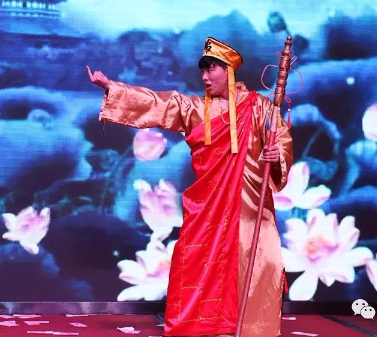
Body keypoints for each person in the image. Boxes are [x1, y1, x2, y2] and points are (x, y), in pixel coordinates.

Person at [88, 37, 293, 336]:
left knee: (255, 260)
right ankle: (199, 324)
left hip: (248, 201)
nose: (205, 77)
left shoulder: (260, 108)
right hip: (208, 203)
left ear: (229, 71)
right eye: (203, 71)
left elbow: (281, 145)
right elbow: (159, 103)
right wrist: (113, 88)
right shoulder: (196, 109)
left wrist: (276, 157)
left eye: (212, 70)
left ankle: (244, 323)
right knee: (194, 259)